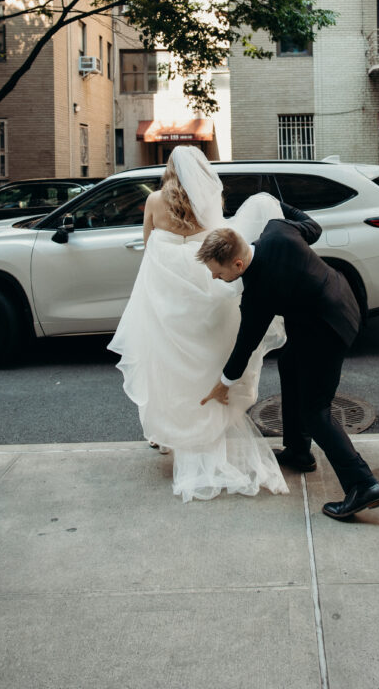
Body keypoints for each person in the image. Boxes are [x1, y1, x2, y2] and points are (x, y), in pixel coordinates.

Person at [107, 145, 288, 503]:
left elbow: (149, 249)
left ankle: (172, 434)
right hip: (206, 303)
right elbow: (219, 248)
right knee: (206, 363)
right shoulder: (210, 201)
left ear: (170, 169)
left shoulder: (155, 202)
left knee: (170, 369)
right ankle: (209, 429)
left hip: (168, 305)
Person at [198, 205, 379, 520]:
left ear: (238, 262)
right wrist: (281, 206)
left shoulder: (258, 292)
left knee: (316, 411)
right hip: (334, 302)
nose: (216, 278)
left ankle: (363, 485)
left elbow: (244, 345)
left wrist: (224, 384)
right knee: (289, 364)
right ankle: (299, 451)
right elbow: (310, 225)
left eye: (218, 272)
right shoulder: (278, 230)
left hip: (329, 330)